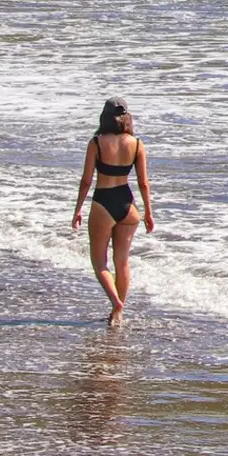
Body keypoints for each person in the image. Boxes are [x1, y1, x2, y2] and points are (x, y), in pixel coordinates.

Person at [71, 98, 154, 325]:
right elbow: (144, 182)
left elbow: (86, 180)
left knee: (99, 263)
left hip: (103, 203)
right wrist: (148, 212)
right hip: (128, 205)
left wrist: (77, 210)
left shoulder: (96, 143)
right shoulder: (137, 144)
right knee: (123, 262)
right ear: (127, 117)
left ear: (104, 117)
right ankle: (119, 313)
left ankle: (116, 302)